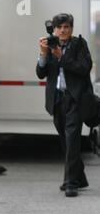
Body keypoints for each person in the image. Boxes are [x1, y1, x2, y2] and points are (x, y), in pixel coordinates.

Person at [36, 13, 92, 197]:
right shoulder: (50, 45)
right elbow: (40, 73)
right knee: (65, 140)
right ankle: (79, 177)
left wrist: (62, 57)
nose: (63, 30)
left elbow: (84, 68)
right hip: (57, 99)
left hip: (75, 98)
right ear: (54, 29)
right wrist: (43, 55)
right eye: (59, 27)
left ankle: (70, 183)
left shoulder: (79, 44)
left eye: (66, 27)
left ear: (71, 29)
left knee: (72, 139)